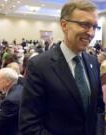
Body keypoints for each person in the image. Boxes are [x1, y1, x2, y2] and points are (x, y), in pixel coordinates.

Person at [19, 1, 105, 135]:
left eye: (95, 27)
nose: (91, 33)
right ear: (64, 25)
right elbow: (29, 124)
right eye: (85, 25)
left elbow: (98, 108)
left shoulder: (92, 62)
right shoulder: (39, 65)